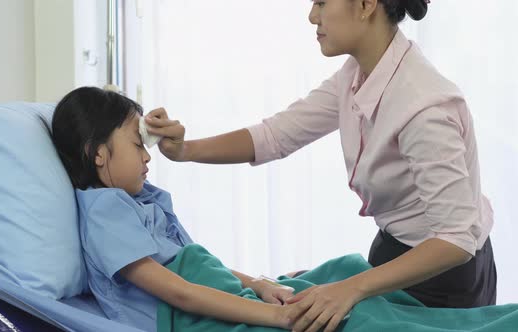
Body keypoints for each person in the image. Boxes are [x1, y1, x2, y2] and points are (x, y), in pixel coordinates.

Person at [142, 0, 497, 331]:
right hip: (392, 252)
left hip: (443, 276)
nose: (313, 16)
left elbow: (455, 240)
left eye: (322, 2)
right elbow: (275, 136)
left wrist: (350, 289)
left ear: (367, 4)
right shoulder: (358, 74)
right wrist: (184, 150)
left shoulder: (423, 105)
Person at [50, 86, 301, 332]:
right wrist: (278, 315)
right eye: (138, 145)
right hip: (189, 319)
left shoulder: (142, 200)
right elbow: (181, 293)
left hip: (220, 302)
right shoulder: (105, 213)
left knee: (319, 292)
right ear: (97, 153)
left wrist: (259, 285)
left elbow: (201, 265)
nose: (147, 157)